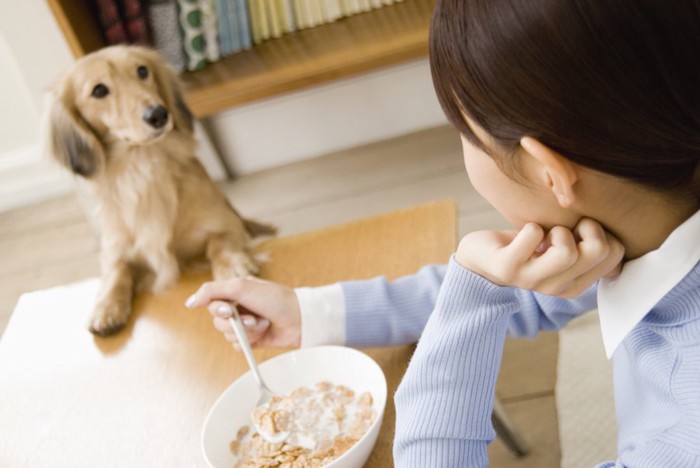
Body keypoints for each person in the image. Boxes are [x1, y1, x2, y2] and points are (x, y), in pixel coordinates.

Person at [186, 0, 700, 465]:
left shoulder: (681, 437)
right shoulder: (656, 211)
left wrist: (473, 288)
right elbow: (534, 290)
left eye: (464, 132)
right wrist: (312, 314)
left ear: (550, 172)